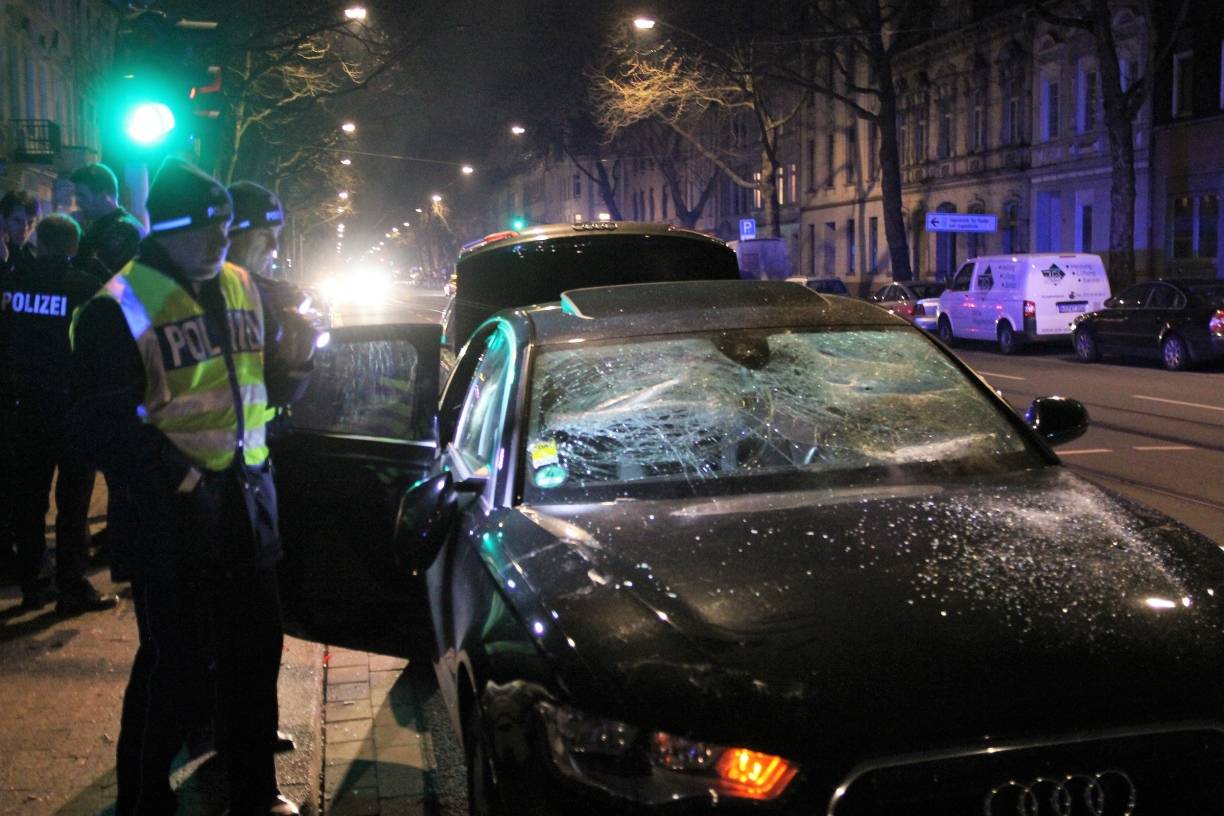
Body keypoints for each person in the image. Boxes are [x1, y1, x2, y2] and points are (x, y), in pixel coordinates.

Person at [69, 158, 314, 816]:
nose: (219, 242)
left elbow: (258, 389)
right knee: (173, 671)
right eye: (206, 230)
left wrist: (297, 371)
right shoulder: (117, 306)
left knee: (254, 658)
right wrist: (177, 476)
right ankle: (143, 800)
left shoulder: (240, 284)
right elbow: (101, 425)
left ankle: (254, 794)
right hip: (169, 520)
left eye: (226, 228)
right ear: (170, 231)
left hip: (246, 506)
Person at [0, 214, 118, 612]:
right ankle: (71, 585)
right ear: (73, 246)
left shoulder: (13, 284)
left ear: (39, 242)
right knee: (73, 504)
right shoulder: (85, 287)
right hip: (72, 407)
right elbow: (106, 346)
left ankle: (34, 582)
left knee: (29, 499)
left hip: (25, 406)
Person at [1, 190, 41, 581]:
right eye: (17, 221)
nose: (24, 230)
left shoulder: (28, 261)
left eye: (29, 223)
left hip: (18, 376)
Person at [70, 163, 145, 283]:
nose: (77, 202)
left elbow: (94, 276)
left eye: (82, 196)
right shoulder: (103, 226)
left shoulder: (124, 230)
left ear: (103, 196)